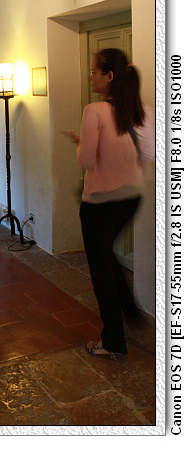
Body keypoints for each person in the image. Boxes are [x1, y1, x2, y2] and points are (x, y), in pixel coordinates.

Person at [65, 48, 154, 362]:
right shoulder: (142, 111)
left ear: (110, 76)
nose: (91, 76)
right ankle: (130, 309)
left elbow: (87, 161)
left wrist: (81, 147)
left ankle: (113, 341)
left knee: (100, 271)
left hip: (99, 202)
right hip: (131, 198)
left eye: (94, 72)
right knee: (107, 255)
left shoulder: (94, 110)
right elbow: (147, 153)